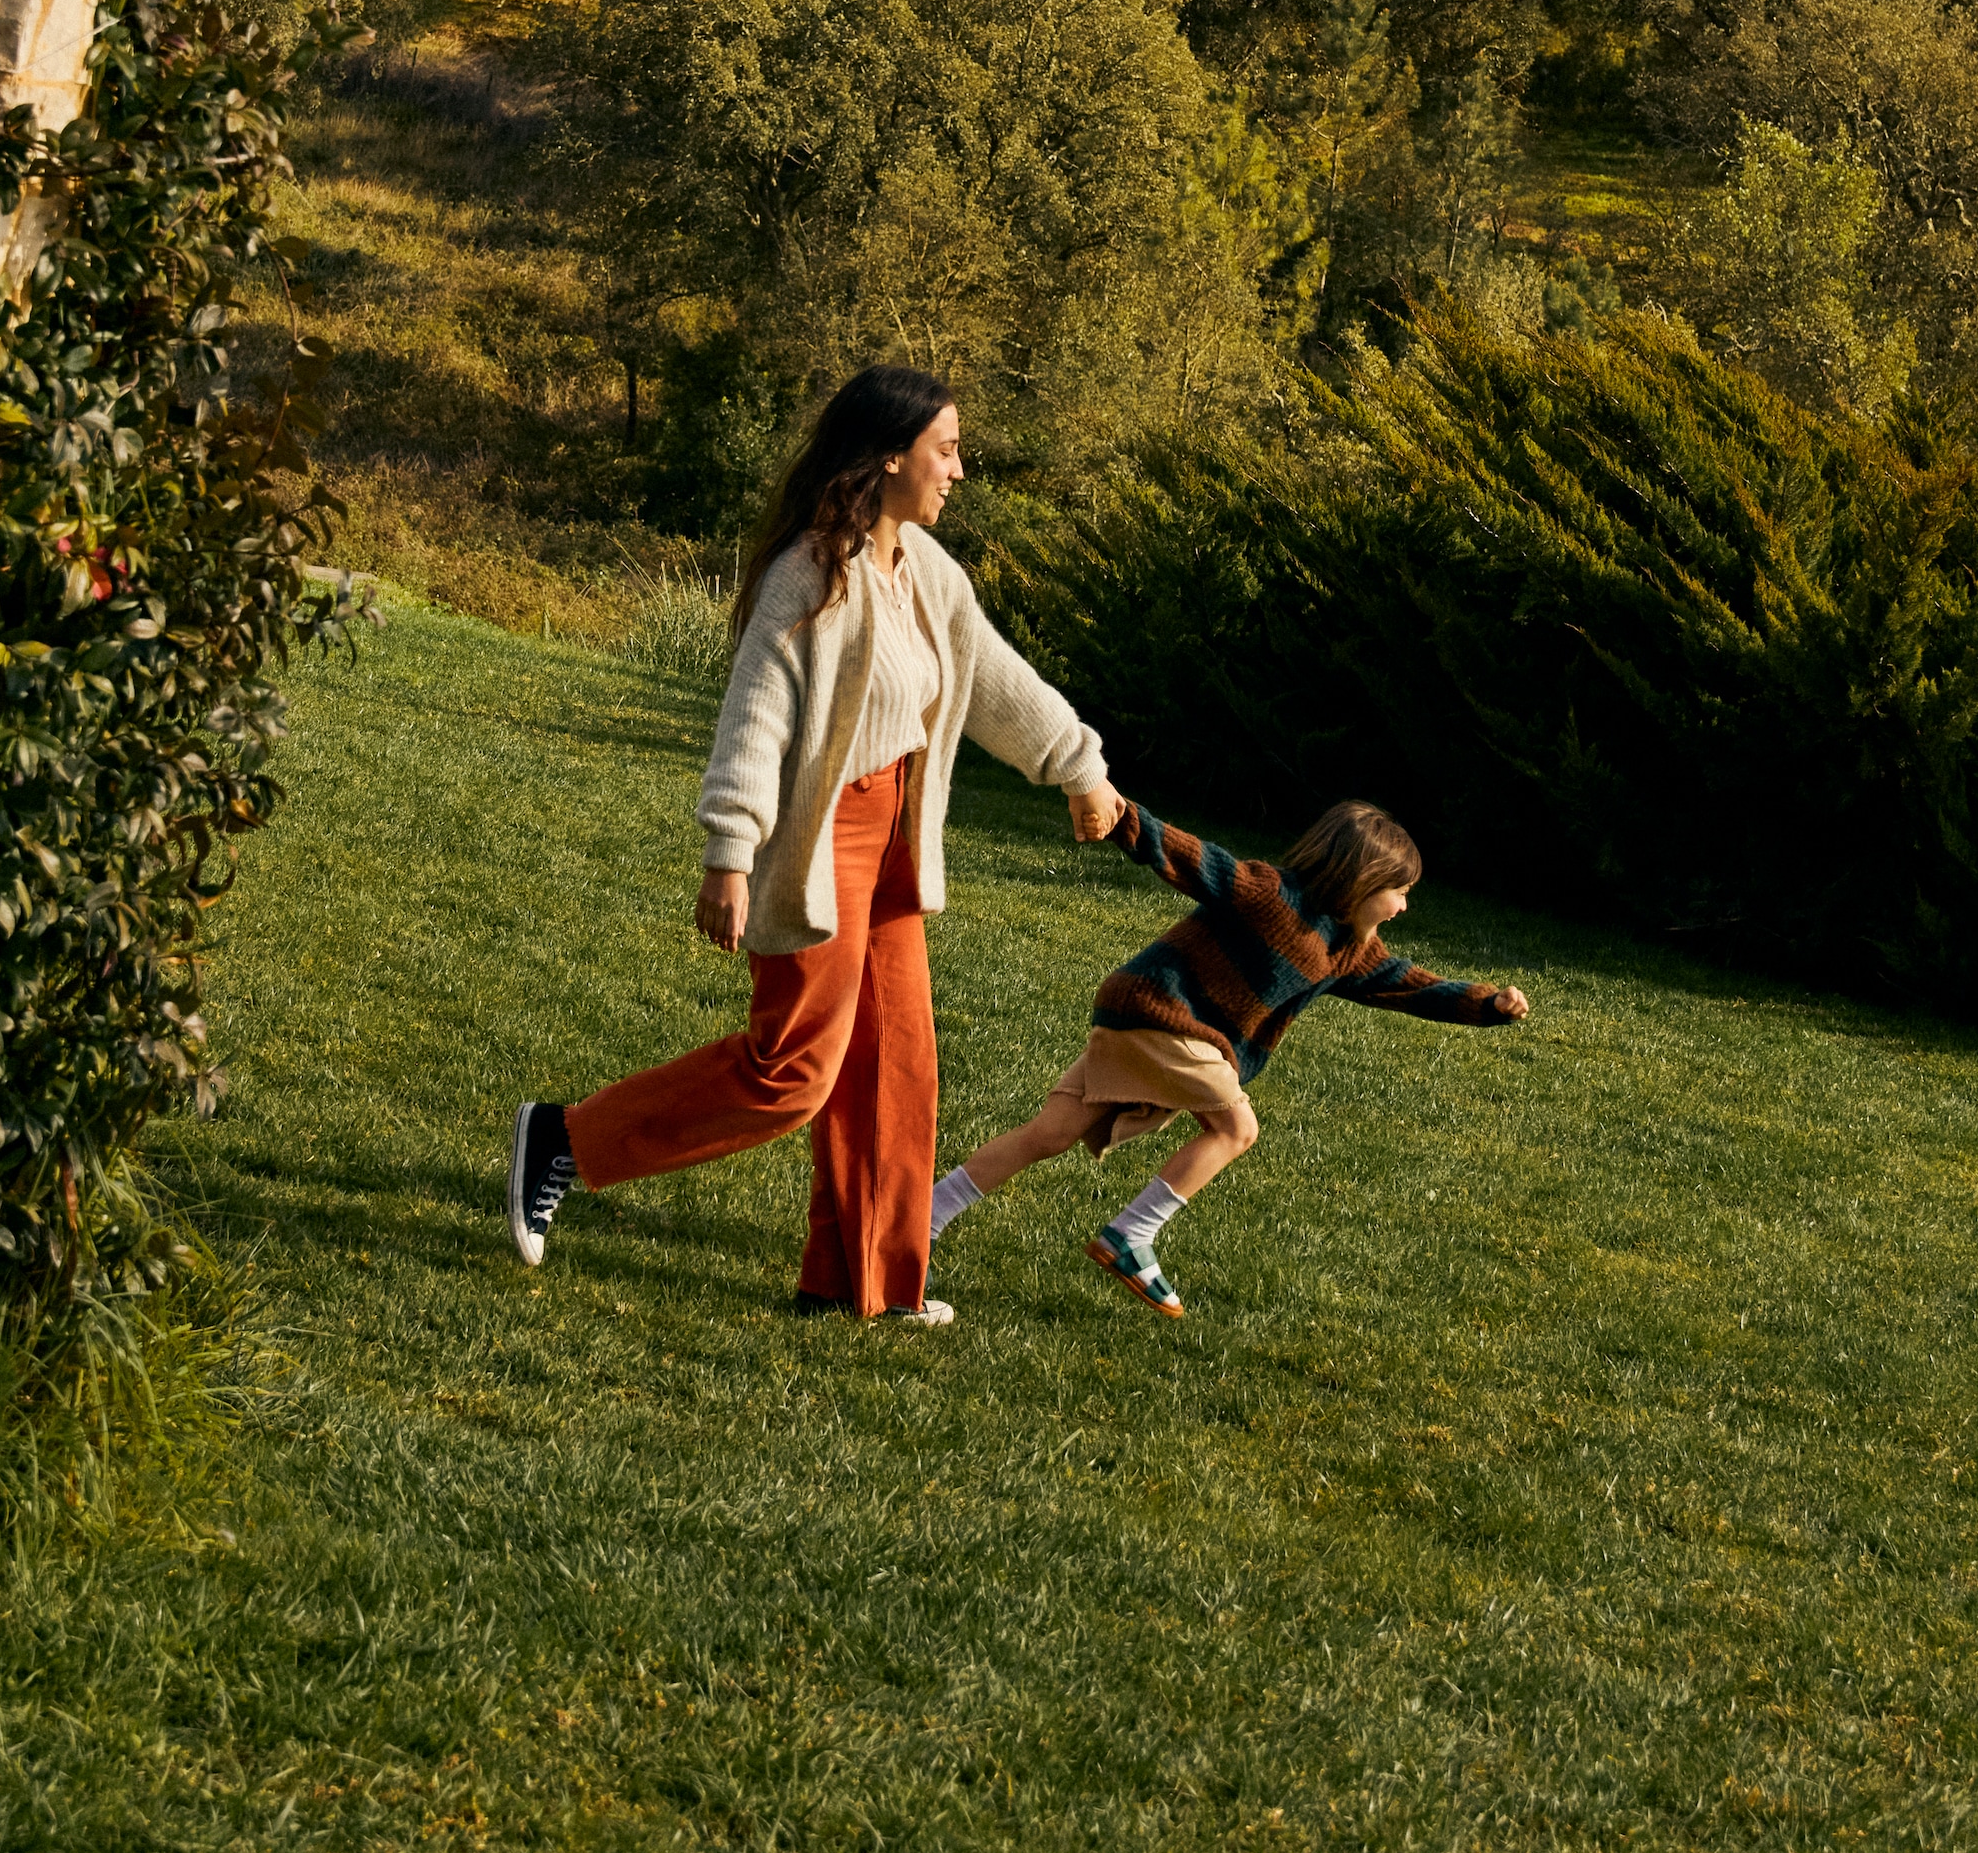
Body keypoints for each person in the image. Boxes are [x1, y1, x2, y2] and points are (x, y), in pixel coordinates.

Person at [503, 363, 1124, 1322]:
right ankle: (565, 1141)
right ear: (889, 457)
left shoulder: (926, 573)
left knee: (898, 1066)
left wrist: (1080, 768)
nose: (959, 470)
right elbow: (754, 719)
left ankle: (855, 1288)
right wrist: (729, 851)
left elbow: (998, 681)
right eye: (946, 451)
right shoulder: (810, 575)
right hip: (824, 838)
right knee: (791, 1071)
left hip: (896, 839)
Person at [930, 797, 1529, 1319]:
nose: (1403, 906)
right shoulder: (1271, 896)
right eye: (1400, 891)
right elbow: (1194, 859)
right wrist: (1117, 814)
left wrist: (1486, 1003)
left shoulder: (1345, 950)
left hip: (1135, 1018)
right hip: (1159, 1014)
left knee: (1050, 1133)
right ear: (1360, 878)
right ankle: (1130, 1236)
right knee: (1236, 1127)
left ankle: (924, 1217)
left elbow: (1405, 983)